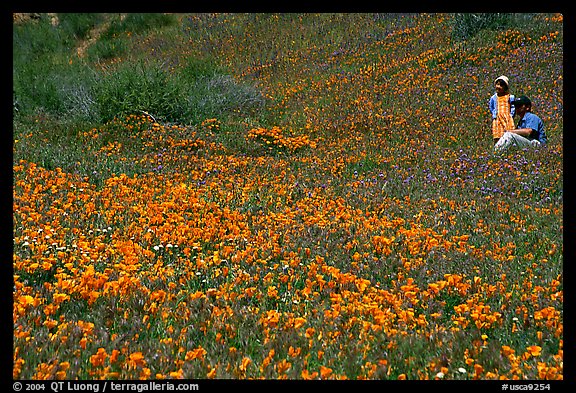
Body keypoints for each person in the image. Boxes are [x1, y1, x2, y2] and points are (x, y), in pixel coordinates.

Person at [489, 75, 515, 145]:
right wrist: (494, 114)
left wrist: (511, 115)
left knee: (508, 134)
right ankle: (497, 148)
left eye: (501, 85)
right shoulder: (494, 97)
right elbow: (491, 107)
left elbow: (512, 106)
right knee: (497, 135)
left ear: (505, 88)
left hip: (507, 118)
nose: (499, 87)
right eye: (497, 84)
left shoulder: (509, 97)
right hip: (497, 118)